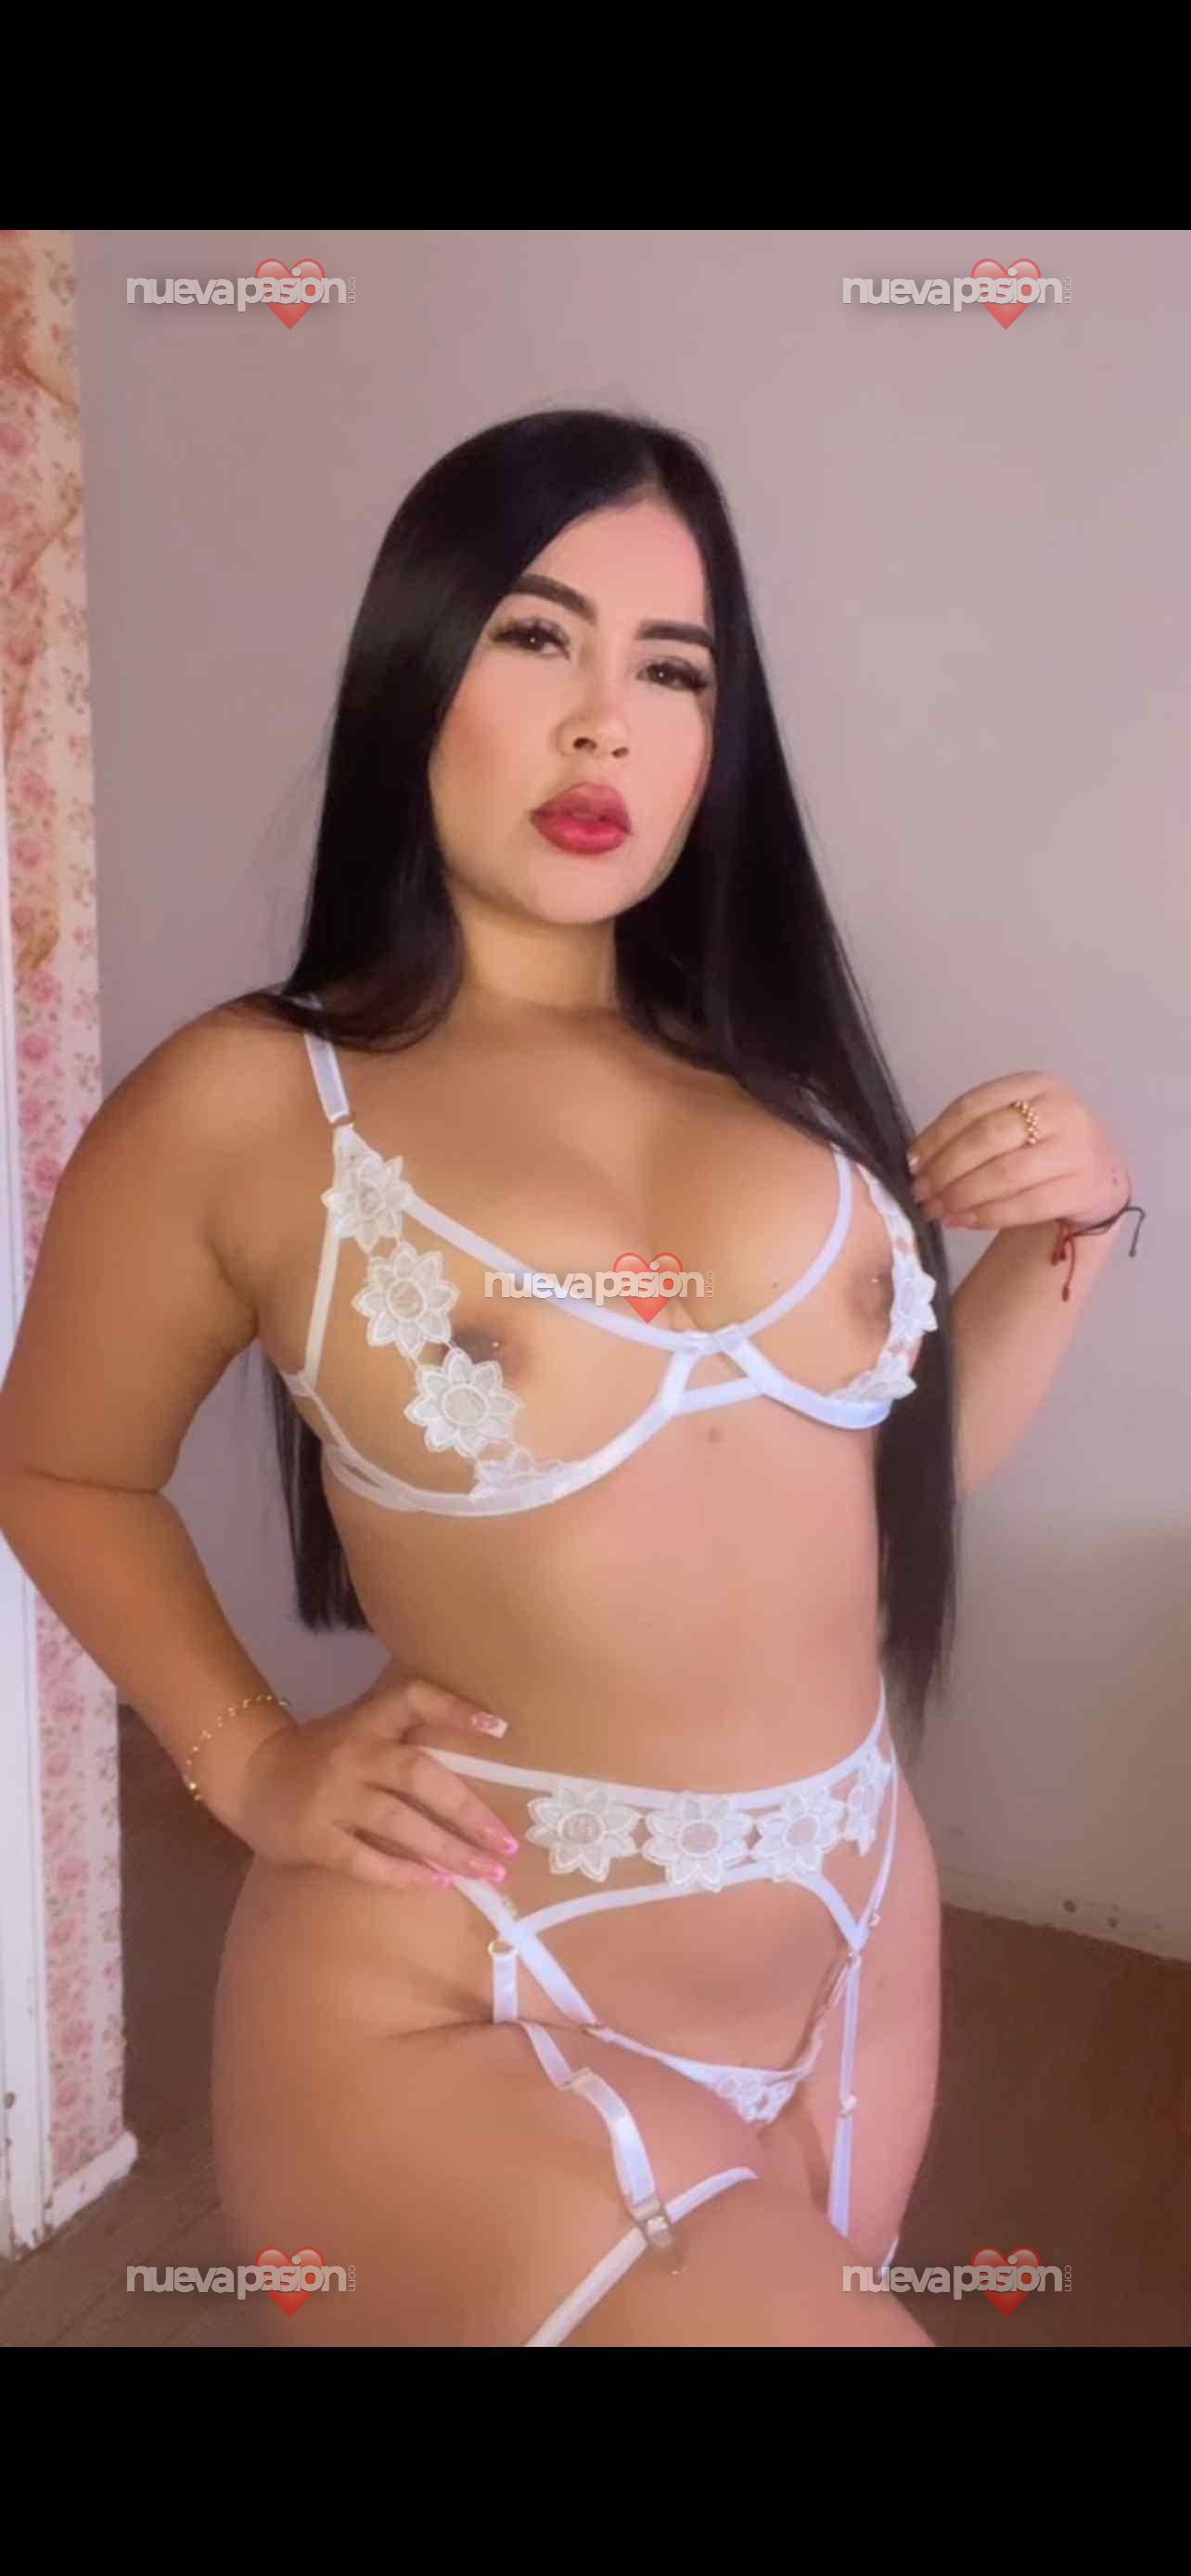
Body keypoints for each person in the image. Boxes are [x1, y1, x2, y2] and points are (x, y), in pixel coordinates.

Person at [1, 405, 963, 2346]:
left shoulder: (779, 1081)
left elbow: (872, 1489)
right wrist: (247, 1757)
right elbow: (58, 1466)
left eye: (672, 672)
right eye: (538, 637)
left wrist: (1076, 1239)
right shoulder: (252, 1103)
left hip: (855, 1951)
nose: (605, 728)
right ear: (416, 664)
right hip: (468, 1983)